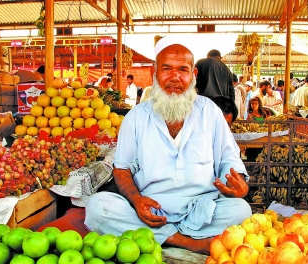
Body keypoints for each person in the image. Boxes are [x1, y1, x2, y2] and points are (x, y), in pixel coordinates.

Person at [84, 37, 251, 255]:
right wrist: (136, 200)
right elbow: (122, 168)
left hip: (202, 208)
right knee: (98, 207)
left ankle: (160, 237)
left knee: (241, 210)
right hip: (151, 209)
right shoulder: (136, 117)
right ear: (155, 72)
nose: (174, 77)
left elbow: (229, 158)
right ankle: (185, 241)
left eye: (182, 69)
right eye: (166, 69)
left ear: (193, 74)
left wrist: (239, 185)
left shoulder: (209, 111)